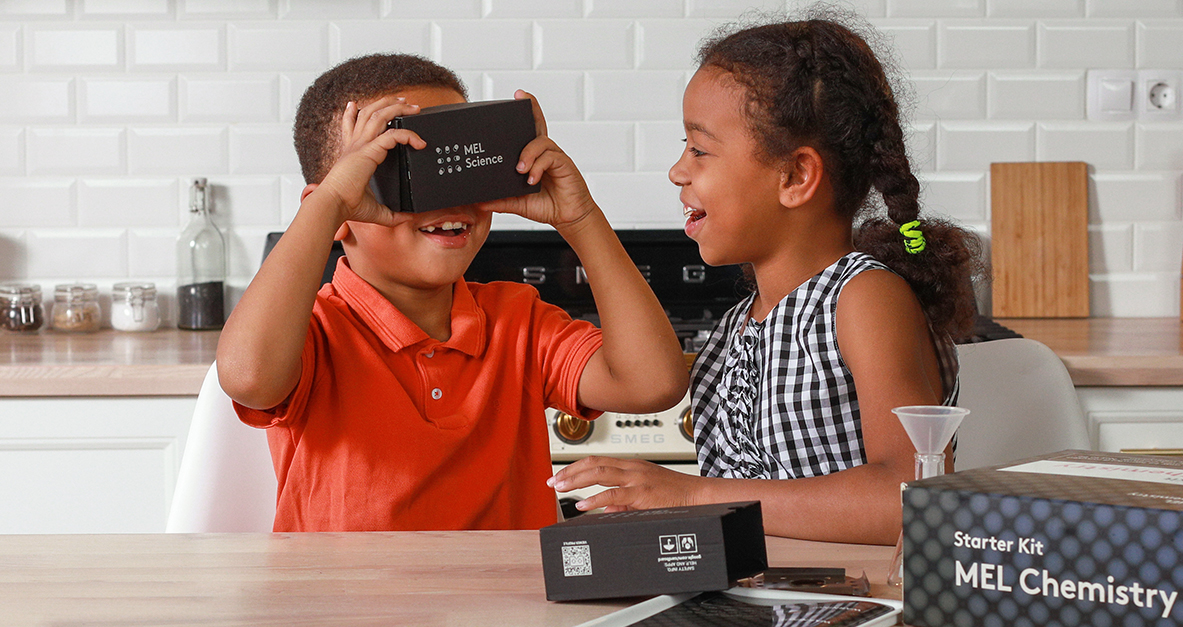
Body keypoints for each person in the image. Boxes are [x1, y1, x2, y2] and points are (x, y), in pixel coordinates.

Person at [548, 12, 982, 546]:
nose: (677, 170)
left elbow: (909, 496)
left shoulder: (864, 297)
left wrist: (689, 494)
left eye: (699, 149)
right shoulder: (740, 322)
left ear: (796, 176)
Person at [215, 54, 688, 532]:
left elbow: (652, 385)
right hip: (349, 603)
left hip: (509, 603)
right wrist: (330, 203)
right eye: (401, 170)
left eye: (455, 165)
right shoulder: (314, 333)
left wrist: (581, 220)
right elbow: (250, 378)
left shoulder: (517, 319)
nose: (448, 198)